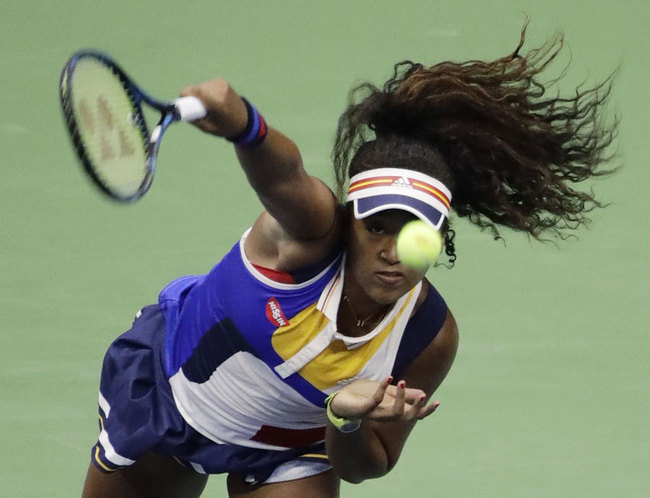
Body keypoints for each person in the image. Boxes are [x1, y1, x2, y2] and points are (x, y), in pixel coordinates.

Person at [81, 23, 617, 498]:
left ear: (439, 236)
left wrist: (345, 417)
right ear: (349, 219)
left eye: (413, 234)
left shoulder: (429, 335)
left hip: (289, 449)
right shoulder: (306, 237)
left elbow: (367, 466)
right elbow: (283, 174)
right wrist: (244, 124)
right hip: (173, 401)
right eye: (375, 226)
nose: (391, 250)